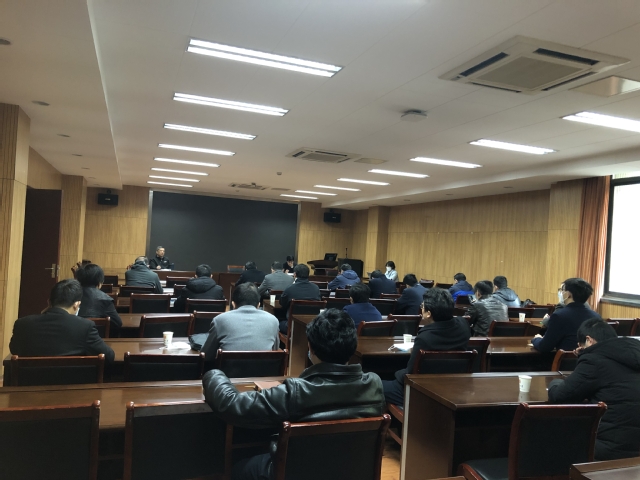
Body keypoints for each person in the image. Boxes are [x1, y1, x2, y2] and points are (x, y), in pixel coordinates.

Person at [203, 308, 386, 480]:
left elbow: (232, 404)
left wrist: (213, 373)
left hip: (294, 472)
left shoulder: (296, 391)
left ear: (311, 349)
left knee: (236, 467)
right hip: (349, 470)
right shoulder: (374, 384)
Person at [548, 318, 640, 460]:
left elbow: (560, 396)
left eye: (581, 345)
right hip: (636, 448)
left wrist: (554, 382)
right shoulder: (634, 352)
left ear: (589, 340)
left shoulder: (594, 361)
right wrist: (586, 353)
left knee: (551, 435)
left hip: (611, 449)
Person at [382, 288, 471, 405]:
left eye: (422, 306)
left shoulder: (425, 338)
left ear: (428, 314)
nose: (421, 308)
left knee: (377, 385)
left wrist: (396, 373)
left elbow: (410, 373)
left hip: (421, 390)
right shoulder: (464, 325)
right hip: (453, 386)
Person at [10, 279, 115, 363]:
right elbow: (109, 356)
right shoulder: (85, 326)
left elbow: (14, 350)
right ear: (77, 304)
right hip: (72, 383)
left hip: (29, 382)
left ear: (49, 302)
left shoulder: (22, 324)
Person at [201, 283, 279, 361]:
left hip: (227, 369)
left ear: (233, 304)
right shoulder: (273, 321)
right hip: (264, 368)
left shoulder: (219, 320)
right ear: (258, 305)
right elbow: (275, 352)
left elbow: (206, 355)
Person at [532, 278, 602, 353]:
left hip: (565, 360)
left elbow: (545, 347)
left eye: (562, 290)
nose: (561, 293)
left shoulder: (559, 316)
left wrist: (536, 339)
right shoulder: (596, 317)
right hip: (589, 359)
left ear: (568, 294)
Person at [76, 263, 122, 336]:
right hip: (96, 338)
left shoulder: (69, 295)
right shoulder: (105, 299)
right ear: (100, 282)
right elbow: (117, 323)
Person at [278, 264, 321, 333]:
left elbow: (282, 303)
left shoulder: (290, 288)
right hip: (312, 327)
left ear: (295, 274)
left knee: (278, 323)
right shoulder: (316, 288)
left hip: (292, 326)